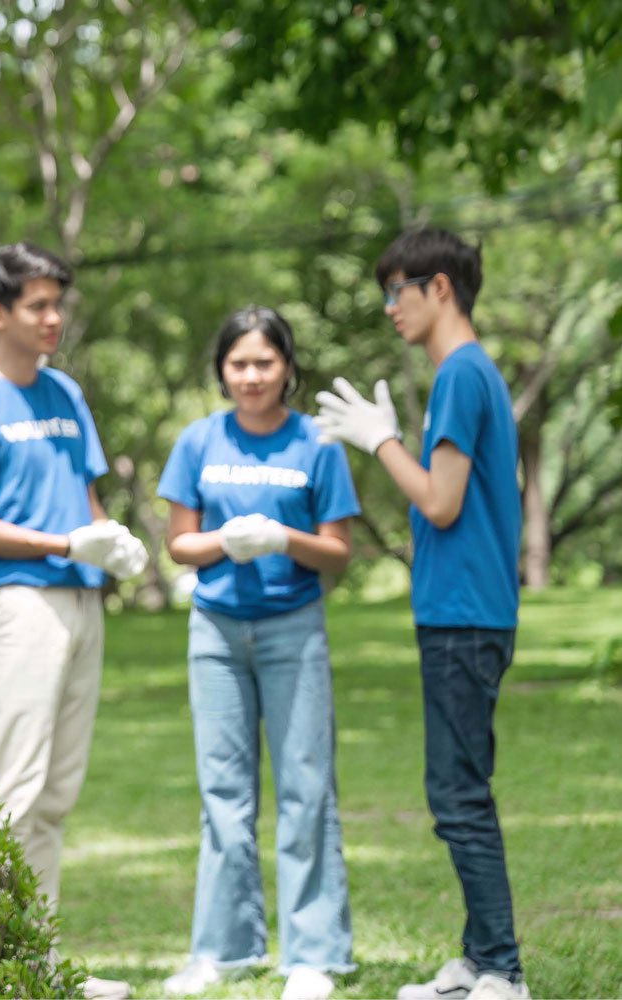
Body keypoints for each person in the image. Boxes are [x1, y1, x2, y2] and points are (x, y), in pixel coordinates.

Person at [0, 242, 148, 1000]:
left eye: (58, 304)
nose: (53, 318)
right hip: (13, 603)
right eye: (37, 306)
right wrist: (62, 543)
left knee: (54, 795)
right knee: (13, 792)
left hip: (81, 601)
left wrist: (110, 542)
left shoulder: (64, 394)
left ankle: (34, 960)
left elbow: (85, 501)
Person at [315, 229, 528, 1000]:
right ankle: (476, 958)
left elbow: (438, 502)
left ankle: (500, 969)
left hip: (464, 613)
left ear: (437, 288)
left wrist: (378, 442)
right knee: (458, 785)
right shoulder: (468, 373)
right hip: (467, 610)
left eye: (394, 291)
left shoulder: (459, 375)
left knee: (456, 792)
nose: (387, 308)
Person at [155, 307, 359, 1000]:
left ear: (286, 368)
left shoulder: (316, 443)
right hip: (214, 630)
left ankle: (314, 953)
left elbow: (337, 550)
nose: (249, 376)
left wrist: (281, 538)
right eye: (237, 363)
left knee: (305, 789)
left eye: (263, 363)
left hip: (292, 629)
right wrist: (223, 542)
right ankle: (222, 949)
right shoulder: (197, 441)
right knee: (222, 795)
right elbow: (177, 541)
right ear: (220, 370)